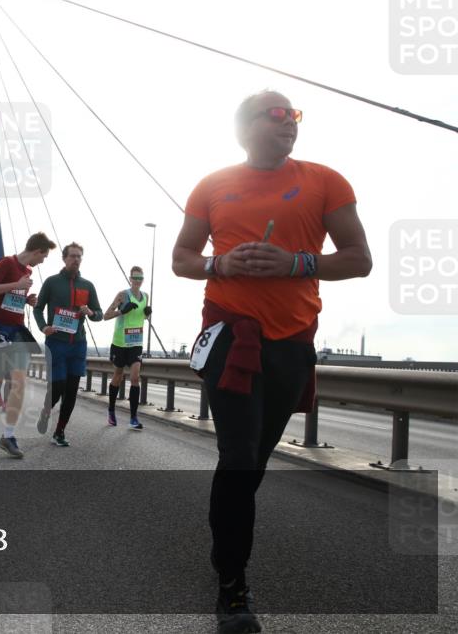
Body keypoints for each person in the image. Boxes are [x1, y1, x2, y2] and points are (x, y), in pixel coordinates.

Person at [172, 90, 371, 634]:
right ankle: (233, 586)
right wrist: (220, 262)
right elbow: (181, 259)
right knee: (238, 456)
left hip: (291, 344)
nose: (289, 124)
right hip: (232, 337)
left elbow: (360, 258)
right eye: (276, 115)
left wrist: (295, 263)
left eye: (295, 116)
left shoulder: (325, 180)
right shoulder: (212, 185)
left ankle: (225, 544)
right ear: (245, 128)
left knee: (253, 463)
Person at [0, 232, 55, 457]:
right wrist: (16, 285)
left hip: (17, 330)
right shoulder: (6, 263)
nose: (42, 262)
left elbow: (13, 296)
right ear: (37, 251)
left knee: (19, 382)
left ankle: (8, 436)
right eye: (43, 257)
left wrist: (27, 299)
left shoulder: (28, 272)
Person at [33, 242, 103, 447]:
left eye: (79, 256)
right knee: (58, 386)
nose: (76, 259)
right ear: (64, 258)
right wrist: (43, 327)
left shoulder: (88, 285)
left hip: (78, 344)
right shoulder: (52, 282)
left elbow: (98, 313)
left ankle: (59, 431)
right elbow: (38, 308)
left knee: (72, 390)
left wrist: (90, 313)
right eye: (72, 256)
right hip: (56, 342)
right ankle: (46, 411)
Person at [103, 266, 151, 429]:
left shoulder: (145, 296)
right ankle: (111, 410)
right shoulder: (122, 295)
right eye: (135, 278)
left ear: (142, 279)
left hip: (136, 343)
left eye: (140, 278)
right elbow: (106, 316)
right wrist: (121, 311)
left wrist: (147, 314)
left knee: (135, 377)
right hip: (120, 342)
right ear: (130, 279)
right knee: (118, 376)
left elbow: (142, 317)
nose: (137, 281)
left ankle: (133, 418)